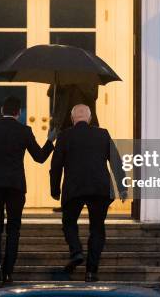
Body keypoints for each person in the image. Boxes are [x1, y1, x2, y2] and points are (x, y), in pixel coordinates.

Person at [0, 96, 57, 285]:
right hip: (15, 186)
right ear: (18, 113)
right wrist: (50, 140)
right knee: (13, 228)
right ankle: (8, 272)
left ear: (2, 109)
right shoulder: (24, 131)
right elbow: (40, 157)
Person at [49, 104, 127, 282]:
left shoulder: (64, 136)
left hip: (74, 188)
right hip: (99, 188)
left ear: (72, 118)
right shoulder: (103, 134)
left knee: (69, 222)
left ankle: (76, 251)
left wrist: (55, 190)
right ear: (90, 119)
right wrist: (122, 187)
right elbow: (116, 161)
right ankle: (91, 271)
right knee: (97, 228)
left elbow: (56, 166)